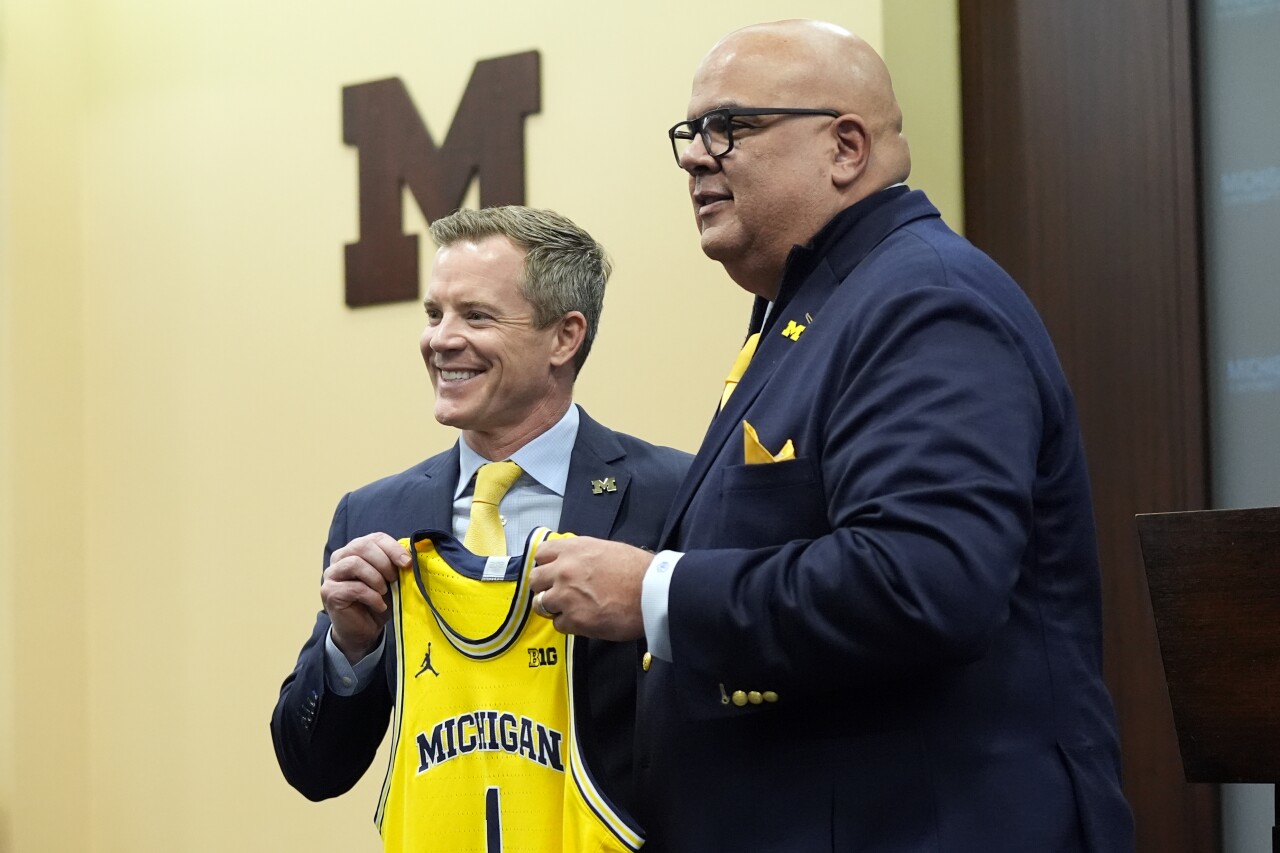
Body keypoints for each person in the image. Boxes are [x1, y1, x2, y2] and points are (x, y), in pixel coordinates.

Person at [528, 19, 1136, 851]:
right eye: (690, 133)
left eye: (728, 128)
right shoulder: (818, 305)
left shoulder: (925, 299)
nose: (694, 157)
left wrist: (654, 593)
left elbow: (923, 581)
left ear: (845, 147)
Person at [270, 206, 692, 829]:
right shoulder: (375, 515)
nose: (441, 339)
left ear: (564, 337)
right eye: (434, 313)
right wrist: (349, 647)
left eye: (477, 316)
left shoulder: (676, 495)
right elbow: (315, 770)